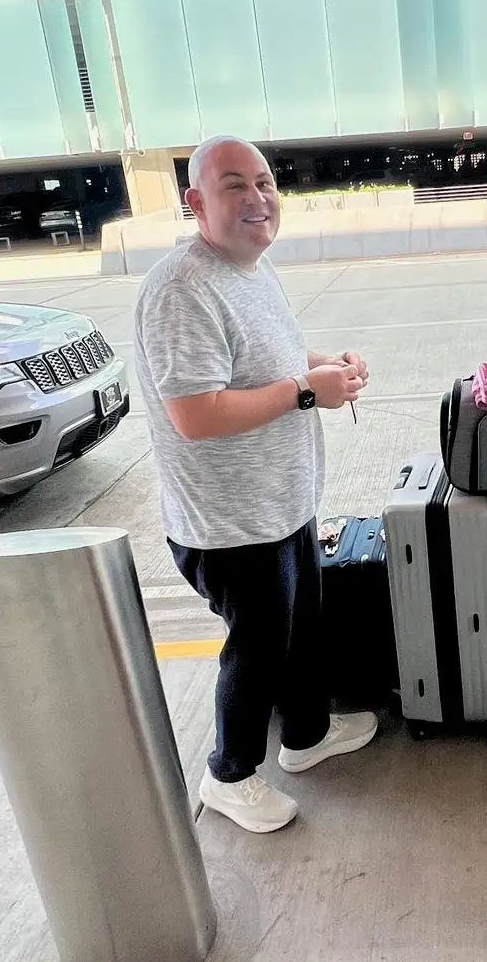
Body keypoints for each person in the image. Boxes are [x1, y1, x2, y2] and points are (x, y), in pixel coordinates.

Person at [133, 136, 377, 833]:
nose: (257, 198)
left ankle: (305, 736)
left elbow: (264, 358)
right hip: (230, 523)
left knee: (302, 633)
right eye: (234, 185)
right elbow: (195, 413)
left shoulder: (251, 270)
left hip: (280, 505)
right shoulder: (183, 289)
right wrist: (307, 391)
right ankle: (229, 775)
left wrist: (324, 365)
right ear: (195, 203)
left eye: (265, 182)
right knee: (260, 648)